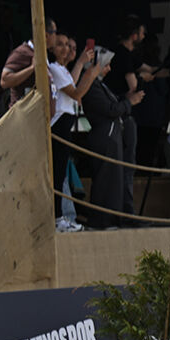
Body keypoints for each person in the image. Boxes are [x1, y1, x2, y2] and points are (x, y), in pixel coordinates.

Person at [81, 49, 144, 229]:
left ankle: (111, 219)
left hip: (112, 135)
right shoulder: (90, 86)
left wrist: (127, 100)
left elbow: (115, 103)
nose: (108, 69)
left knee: (114, 180)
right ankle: (101, 220)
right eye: (106, 65)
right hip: (104, 136)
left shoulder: (99, 85)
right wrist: (129, 102)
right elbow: (110, 109)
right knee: (104, 179)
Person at [103, 15, 156, 221]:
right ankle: (126, 211)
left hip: (124, 115)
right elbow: (133, 86)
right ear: (134, 35)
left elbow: (146, 69)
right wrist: (143, 80)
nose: (143, 37)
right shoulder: (122, 56)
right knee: (126, 165)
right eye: (141, 33)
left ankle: (124, 209)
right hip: (123, 115)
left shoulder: (128, 55)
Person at [49, 33, 102, 231]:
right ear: (53, 48)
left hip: (66, 122)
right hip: (59, 123)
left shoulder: (61, 69)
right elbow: (77, 92)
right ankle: (57, 218)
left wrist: (80, 63)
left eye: (68, 45)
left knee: (61, 172)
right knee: (58, 173)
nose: (66, 49)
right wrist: (92, 73)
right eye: (61, 45)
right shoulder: (54, 68)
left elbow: (72, 84)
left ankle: (62, 216)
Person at [1, 18, 55, 111]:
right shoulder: (22, 52)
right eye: (55, 32)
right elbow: (5, 81)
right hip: (24, 117)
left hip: (38, 119)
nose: (56, 36)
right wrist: (31, 68)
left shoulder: (41, 54)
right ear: (46, 35)